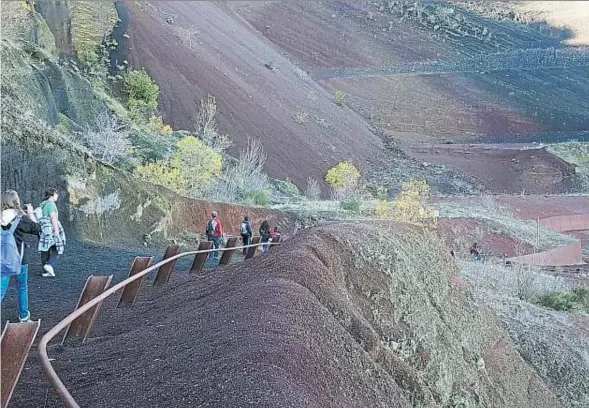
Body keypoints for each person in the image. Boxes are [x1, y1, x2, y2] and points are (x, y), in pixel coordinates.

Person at [1, 190, 41, 322]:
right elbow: (38, 228)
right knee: (22, 286)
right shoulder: (21, 218)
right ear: (16, 201)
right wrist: (30, 213)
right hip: (20, 259)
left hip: (2, 259)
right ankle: (24, 316)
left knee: (1, 289)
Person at [38, 188, 65, 277]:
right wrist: (56, 230)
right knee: (57, 247)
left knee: (45, 248)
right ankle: (49, 265)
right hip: (51, 228)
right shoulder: (51, 204)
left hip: (43, 228)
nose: (57, 196)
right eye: (56, 194)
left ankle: (45, 269)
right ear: (51, 195)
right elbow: (53, 218)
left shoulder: (43, 204)